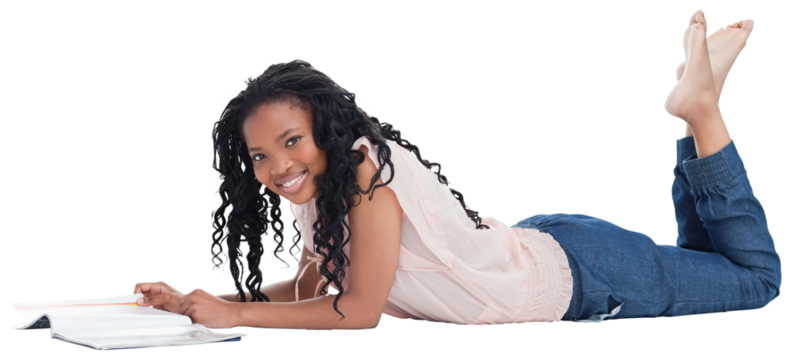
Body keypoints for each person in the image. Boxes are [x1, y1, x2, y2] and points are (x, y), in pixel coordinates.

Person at [133, 9, 781, 328]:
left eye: (290, 141)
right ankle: (697, 112)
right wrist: (200, 305)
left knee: (752, 281)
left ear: (323, 129)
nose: (277, 166)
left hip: (582, 275)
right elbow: (310, 290)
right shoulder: (323, 191)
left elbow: (355, 312)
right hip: (548, 249)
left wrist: (234, 316)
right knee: (703, 265)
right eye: (260, 157)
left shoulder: (361, 175)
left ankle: (700, 113)